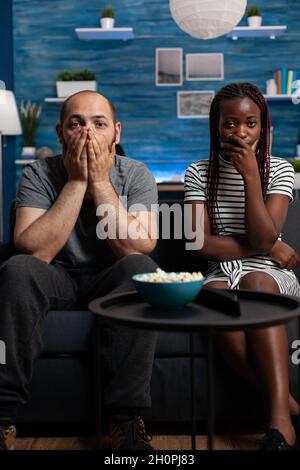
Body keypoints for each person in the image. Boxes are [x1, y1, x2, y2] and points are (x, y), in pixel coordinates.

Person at [0, 90, 159, 451]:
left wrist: (100, 182)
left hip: (111, 278)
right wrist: (75, 182)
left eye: (99, 123)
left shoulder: (136, 174)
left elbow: (138, 246)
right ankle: (2, 417)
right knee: (17, 268)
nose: (88, 133)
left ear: (116, 133)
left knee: (141, 267)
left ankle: (125, 420)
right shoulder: (39, 173)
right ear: (60, 134)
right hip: (54, 276)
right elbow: (34, 248)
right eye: (77, 123)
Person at [184, 82, 300, 450]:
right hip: (221, 273)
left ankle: (279, 422)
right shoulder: (198, 172)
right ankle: (283, 400)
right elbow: (198, 242)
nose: (241, 132)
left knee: (256, 281)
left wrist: (251, 175)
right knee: (212, 298)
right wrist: (271, 245)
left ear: (263, 126)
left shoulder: (280, 169)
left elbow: (265, 239)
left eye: (250, 123)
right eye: (230, 124)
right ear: (216, 127)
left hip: (270, 274)